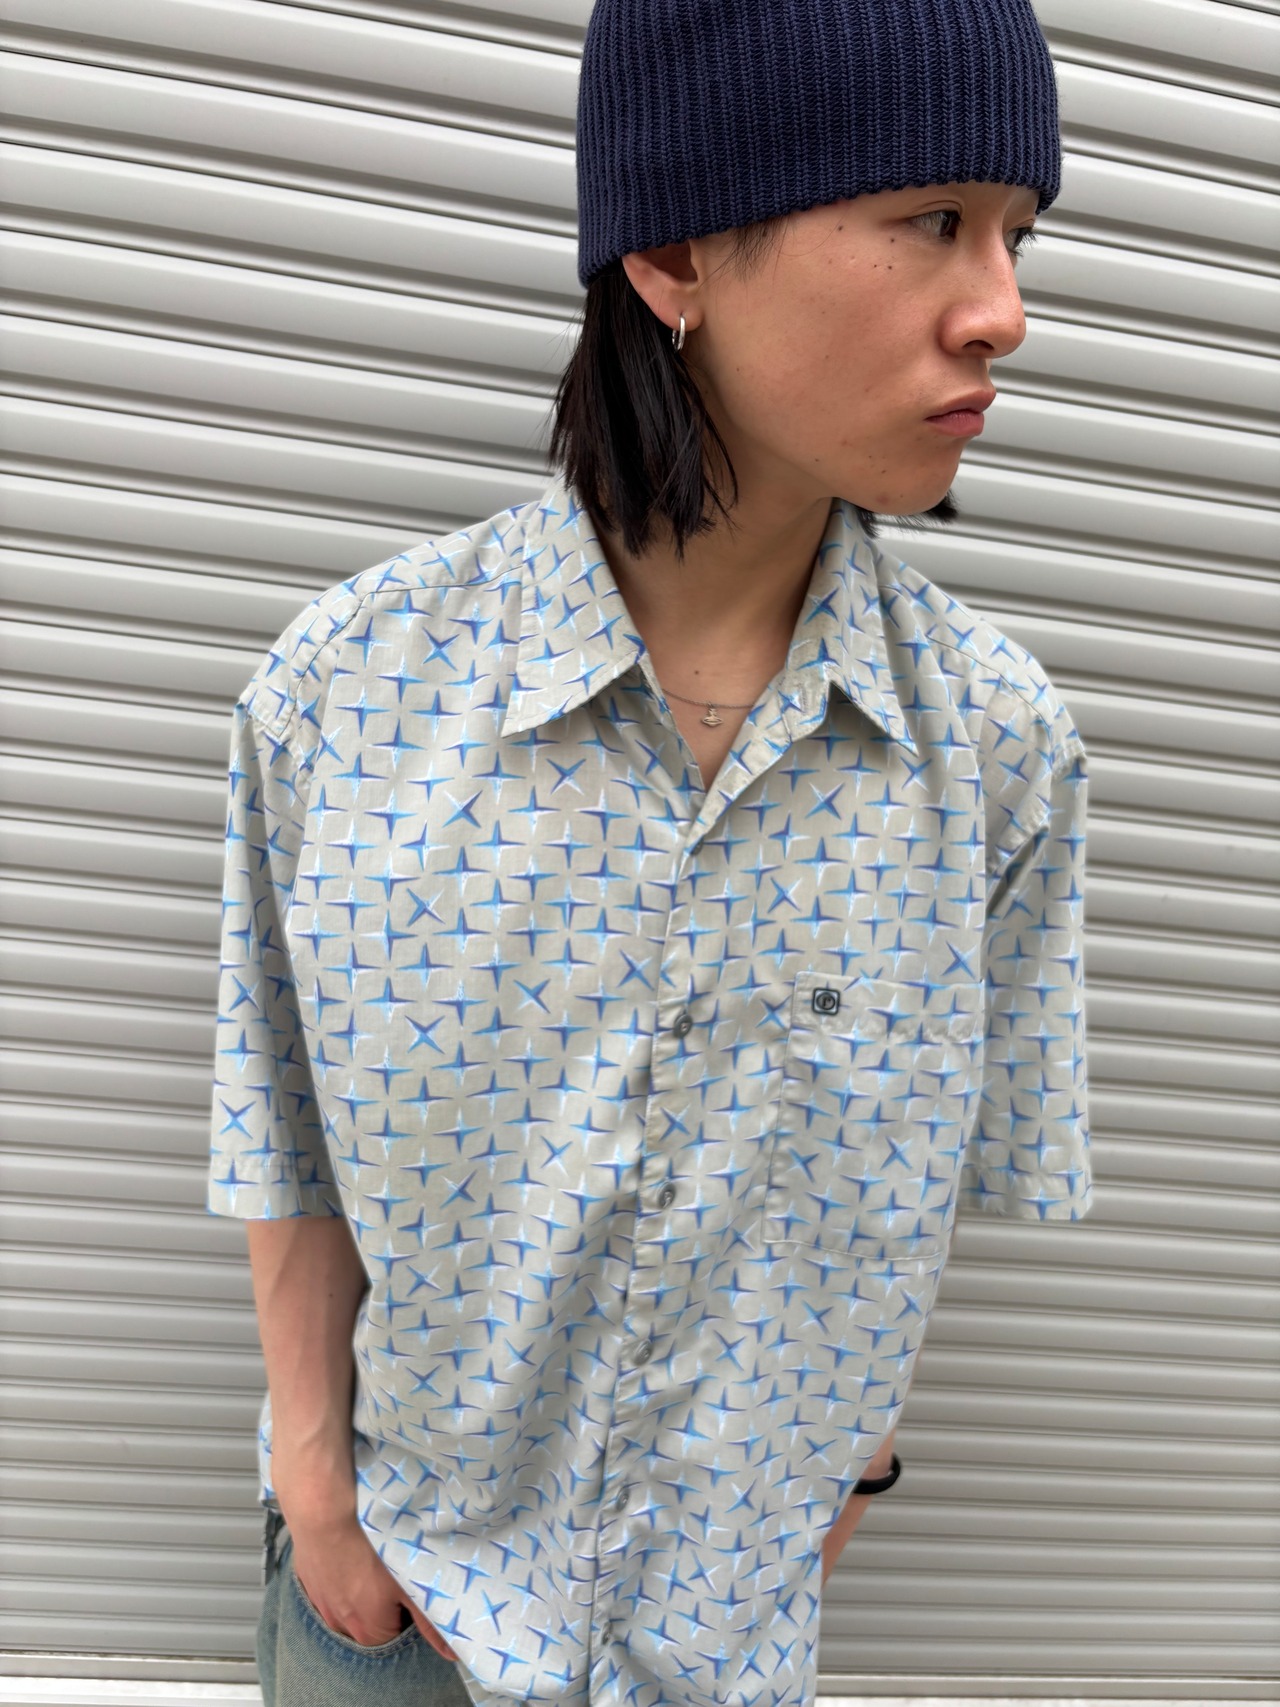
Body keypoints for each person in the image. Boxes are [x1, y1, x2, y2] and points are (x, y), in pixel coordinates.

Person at [207, 2, 1094, 1704]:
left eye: (1017, 234)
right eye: (933, 220)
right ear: (676, 253)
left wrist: (853, 1476)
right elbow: (285, 1124)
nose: (1003, 310)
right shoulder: (349, 698)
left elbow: (937, 1192)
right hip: (402, 1613)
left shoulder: (997, 753)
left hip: (730, 1648)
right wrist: (321, 1502)